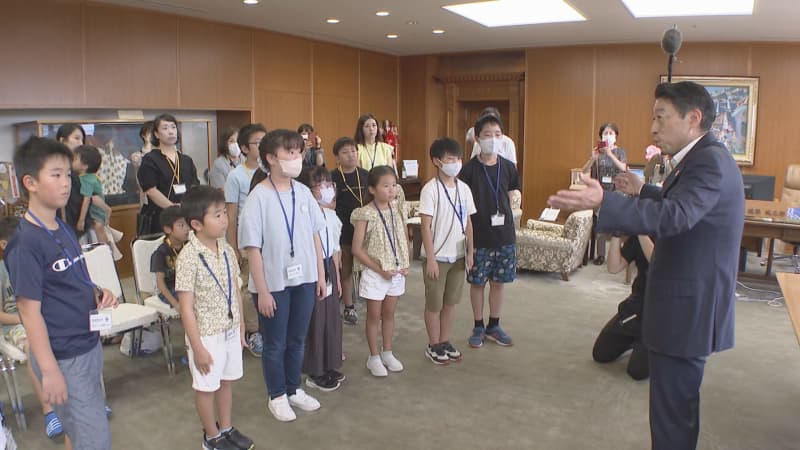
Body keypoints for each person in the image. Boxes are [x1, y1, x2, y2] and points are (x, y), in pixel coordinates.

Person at [548, 81, 744, 450]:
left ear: (693, 118)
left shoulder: (709, 162)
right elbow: (688, 208)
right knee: (675, 409)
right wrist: (645, 191)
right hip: (683, 304)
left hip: (688, 310)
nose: (653, 127)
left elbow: (678, 216)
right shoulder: (702, 159)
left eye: (661, 117)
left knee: (673, 413)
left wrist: (605, 200)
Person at [6, 137, 118, 450]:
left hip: (85, 345)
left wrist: (98, 291)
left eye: (68, 174)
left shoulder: (61, 226)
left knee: (78, 433)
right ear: (30, 182)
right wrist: (50, 371)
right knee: (94, 440)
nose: (66, 182)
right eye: (55, 175)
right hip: (63, 356)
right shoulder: (25, 244)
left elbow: (69, 278)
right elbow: (29, 313)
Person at [240, 129, 326, 422]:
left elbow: (315, 236)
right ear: (270, 158)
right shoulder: (258, 198)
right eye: (289, 152)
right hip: (273, 284)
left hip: (305, 280)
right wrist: (262, 291)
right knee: (275, 343)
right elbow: (252, 250)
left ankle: (294, 389)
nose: (296, 158)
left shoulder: (302, 192)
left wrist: (321, 275)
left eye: (298, 152)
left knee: (297, 339)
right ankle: (276, 395)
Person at [175, 186, 254, 450]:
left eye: (224, 213)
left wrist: (241, 326)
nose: (225, 220)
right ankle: (211, 436)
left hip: (230, 328)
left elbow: (236, 288)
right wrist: (197, 348)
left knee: (226, 381)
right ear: (196, 224)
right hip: (206, 334)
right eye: (217, 215)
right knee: (206, 386)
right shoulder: (189, 257)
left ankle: (227, 428)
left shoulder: (227, 249)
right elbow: (185, 307)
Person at [0, 216, 65, 440]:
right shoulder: (1, 270)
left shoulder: (33, 260)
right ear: (4, 244)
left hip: (41, 316)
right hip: (15, 325)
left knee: (66, 337)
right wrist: (23, 318)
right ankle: (49, 412)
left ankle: (79, 402)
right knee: (34, 347)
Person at [459, 114, 521, 349]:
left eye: (497, 135)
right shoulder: (468, 170)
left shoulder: (507, 167)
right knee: (477, 283)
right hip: (479, 236)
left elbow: (513, 192)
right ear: (477, 139)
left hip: (504, 235)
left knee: (498, 283)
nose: (493, 139)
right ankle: (478, 325)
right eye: (487, 135)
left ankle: (494, 325)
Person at [419, 138, 476, 365]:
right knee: (434, 303)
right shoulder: (430, 190)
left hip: (459, 256)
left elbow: (469, 222)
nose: (455, 163)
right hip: (437, 257)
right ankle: (433, 345)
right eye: (450, 159)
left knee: (451, 302)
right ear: (437, 161)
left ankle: (444, 340)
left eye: (458, 159)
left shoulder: (464, 188)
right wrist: (430, 258)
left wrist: (471, 252)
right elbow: (425, 225)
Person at [351, 165, 409, 377]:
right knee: (374, 315)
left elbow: (403, 237)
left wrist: (404, 262)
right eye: (386, 186)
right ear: (373, 189)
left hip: (395, 272)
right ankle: (373, 356)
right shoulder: (365, 213)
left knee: (389, 314)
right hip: (375, 272)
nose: (391, 190)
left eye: (394, 185)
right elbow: (357, 249)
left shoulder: (397, 209)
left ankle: (388, 352)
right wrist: (379, 269)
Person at [298, 166, 345, 391]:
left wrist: (336, 274)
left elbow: (334, 248)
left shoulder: (331, 215)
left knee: (331, 319)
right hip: (312, 269)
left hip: (328, 267)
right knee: (315, 321)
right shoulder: (304, 215)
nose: (326, 189)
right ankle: (315, 370)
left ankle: (331, 362)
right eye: (320, 185)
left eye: (329, 184)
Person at [224, 123, 267, 357]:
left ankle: (266, 327)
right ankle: (252, 332)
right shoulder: (236, 176)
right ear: (244, 148)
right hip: (247, 241)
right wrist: (234, 247)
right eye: (258, 143)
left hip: (269, 241)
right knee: (249, 289)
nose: (263, 146)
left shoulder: (271, 171)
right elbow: (231, 216)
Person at [592, 234, 653, 380]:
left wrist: (641, 231)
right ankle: (634, 341)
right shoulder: (637, 237)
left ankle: (660, 346)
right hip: (636, 308)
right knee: (601, 354)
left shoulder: (672, 231)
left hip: (660, 312)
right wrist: (616, 234)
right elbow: (614, 267)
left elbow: (659, 264)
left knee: (637, 371)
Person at [137, 113, 200, 235]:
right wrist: (173, 208)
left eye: (173, 127)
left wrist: (188, 207)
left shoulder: (186, 160)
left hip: (187, 216)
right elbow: (151, 190)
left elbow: (194, 186)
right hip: (161, 217)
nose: (171, 132)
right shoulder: (150, 159)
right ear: (156, 134)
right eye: (165, 128)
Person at [330, 137, 368, 325]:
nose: (351, 155)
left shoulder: (367, 174)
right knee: (345, 268)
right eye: (345, 152)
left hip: (366, 230)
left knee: (367, 267)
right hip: (343, 229)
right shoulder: (332, 177)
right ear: (337, 157)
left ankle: (370, 299)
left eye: (353, 151)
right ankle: (349, 306)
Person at [581, 122, 627, 265]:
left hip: (617, 191)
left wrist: (610, 154)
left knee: (616, 224)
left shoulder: (620, 152)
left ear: (616, 136)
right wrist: (592, 158)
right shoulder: (597, 153)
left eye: (611, 133)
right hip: (601, 192)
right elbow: (584, 171)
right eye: (605, 133)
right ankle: (600, 255)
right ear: (601, 136)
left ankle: (616, 254)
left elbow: (624, 168)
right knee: (600, 222)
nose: (608, 136)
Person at [55, 125, 93, 239]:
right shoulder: (56, 163)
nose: (80, 143)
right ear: (62, 140)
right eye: (76, 138)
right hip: (65, 217)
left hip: (80, 217)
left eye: (82, 139)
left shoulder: (79, 165)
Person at [150, 206, 190, 310]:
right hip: (170, 290)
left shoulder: (190, 246)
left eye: (187, 224)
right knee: (190, 299)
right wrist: (175, 304)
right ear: (168, 229)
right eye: (181, 225)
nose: (187, 228)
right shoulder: (161, 253)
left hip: (187, 286)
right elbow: (160, 284)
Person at [73, 145, 112, 244]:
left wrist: (81, 220)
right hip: (93, 210)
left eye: (75, 159)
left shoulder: (88, 179)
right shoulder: (83, 177)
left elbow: (87, 199)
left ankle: (106, 248)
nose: (72, 161)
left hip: (97, 211)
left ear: (85, 166)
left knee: (98, 226)